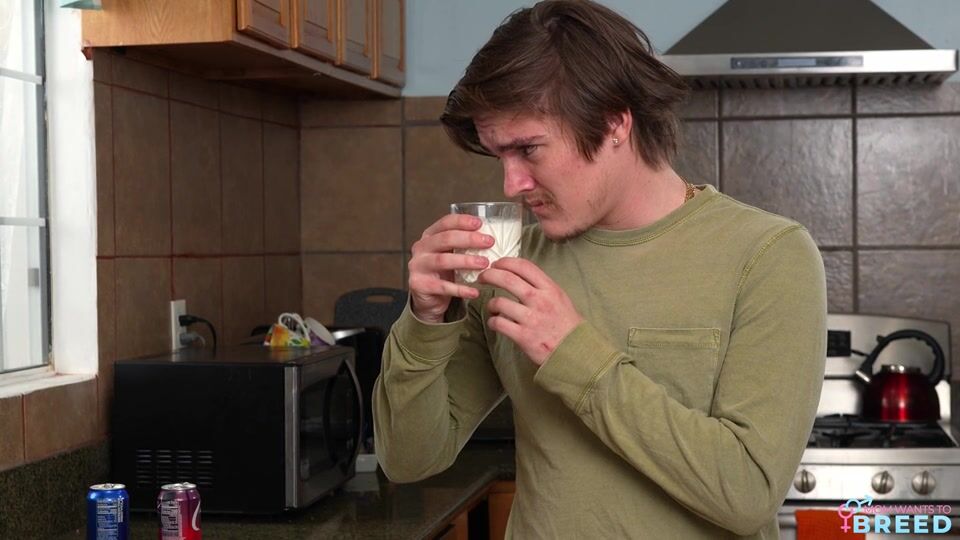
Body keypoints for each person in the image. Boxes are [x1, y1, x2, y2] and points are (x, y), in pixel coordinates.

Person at [372, 1, 826, 538]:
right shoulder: (513, 265)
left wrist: (573, 355)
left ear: (614, 121)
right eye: (499, 156)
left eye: (528, 149)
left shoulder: (770, 255)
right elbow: (409, 461)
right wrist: (425, 322)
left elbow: (746, 493)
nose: (511, 185)